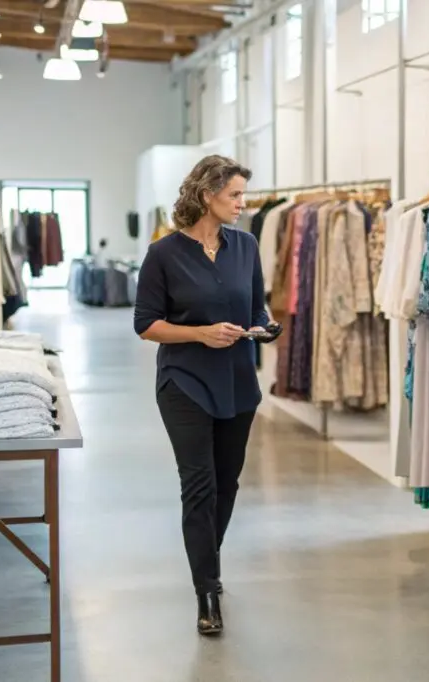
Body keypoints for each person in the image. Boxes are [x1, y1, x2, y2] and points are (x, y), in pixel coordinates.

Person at [132, 155, 275, 636]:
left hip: (238, 381)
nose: (242, 203)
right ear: (206, 194)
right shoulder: (163, 254)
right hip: (185, 383)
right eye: (234, 194)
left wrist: (264, 327)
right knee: (199, 486)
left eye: (242, 194)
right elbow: (146, 325)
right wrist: (200, 334)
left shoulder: (247, 245)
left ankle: (206, 565)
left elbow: (256, 306)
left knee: (227, 483)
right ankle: (207, 591)